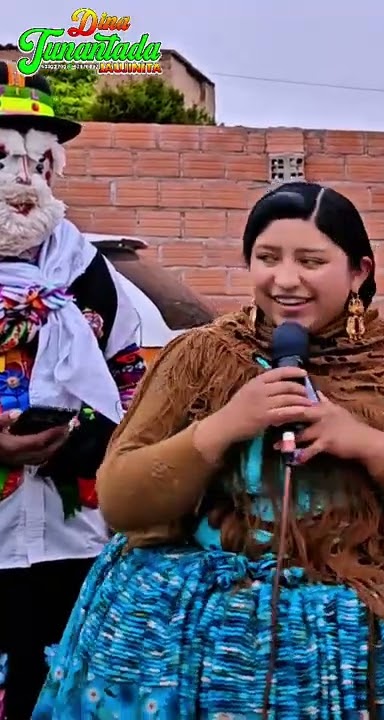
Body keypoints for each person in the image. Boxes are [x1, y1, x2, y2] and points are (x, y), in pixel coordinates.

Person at [34, 183, 384, 719]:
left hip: (367, 624)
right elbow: (122, 500)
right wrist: (224, 426)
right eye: (267, 258)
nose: (285, 280)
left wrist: (368, 443)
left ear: (359, 272)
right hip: (205, 630)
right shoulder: (202, 356)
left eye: (311, 261)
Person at [0, 64, 145, 720]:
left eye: (39, 163)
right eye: (5, 161)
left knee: (64, 690)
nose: (24, 182)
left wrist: (87, 441)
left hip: (74, 536)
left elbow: (130, 379)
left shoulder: (89, 273)